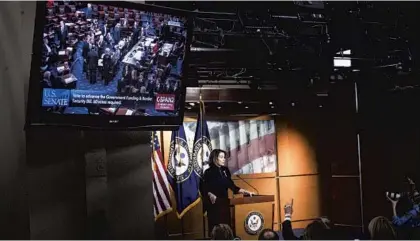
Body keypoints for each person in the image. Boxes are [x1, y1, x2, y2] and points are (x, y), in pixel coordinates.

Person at [201, 149, 255, 236]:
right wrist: (210, 194)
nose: (224, 159)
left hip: (224, 204)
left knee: (226, 229)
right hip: (214, 206)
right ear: (215, 158)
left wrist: (246, 192)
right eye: (221, 157)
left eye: (224, 157)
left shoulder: (225, 170)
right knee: (216, 230)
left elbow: (232, 186)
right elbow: (204, 188)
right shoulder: (208, 172)